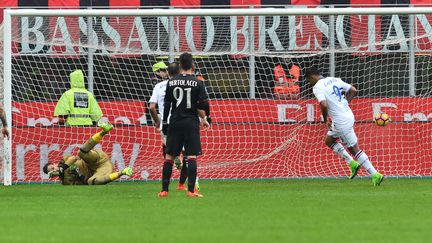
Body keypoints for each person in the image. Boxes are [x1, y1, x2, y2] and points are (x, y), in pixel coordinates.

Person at [305, 68, 384, 186]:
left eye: (308, 81)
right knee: (329, 141)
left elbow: (323, 104)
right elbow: (353, 90)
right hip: (347, 115)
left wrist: (326, 120)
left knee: (354, 149)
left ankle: (375, 174)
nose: (309, 83)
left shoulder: (317, 87)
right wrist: (344, 104)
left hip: (341, 121)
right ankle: (352, 163)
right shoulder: (334, 79)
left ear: (311, 77)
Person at [159, 53, 210, 198]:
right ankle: (191, 191)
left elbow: (167, 103)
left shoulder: (172, 82)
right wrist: (205, 119)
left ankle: (164, 190)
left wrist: (164, 122)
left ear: (180, 65)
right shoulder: (198, 83)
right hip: (191, 122)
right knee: (191, 156)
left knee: (169, 157)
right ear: (192, 65)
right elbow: (203, 104)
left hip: (175, 121)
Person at [42, 122, 132, 185]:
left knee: (81, 153)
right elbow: (82, 184)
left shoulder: (64, 161)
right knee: (91, 182)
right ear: (52, 175)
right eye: (52, 171)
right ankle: (122, 172)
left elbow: (73, 158)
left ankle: (104, 131)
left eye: (52, 167)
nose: (54, 169)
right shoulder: (66, 181)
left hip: (96, 159)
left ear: (54, 164)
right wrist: (78, 177)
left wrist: (62, 168)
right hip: (102, 170)